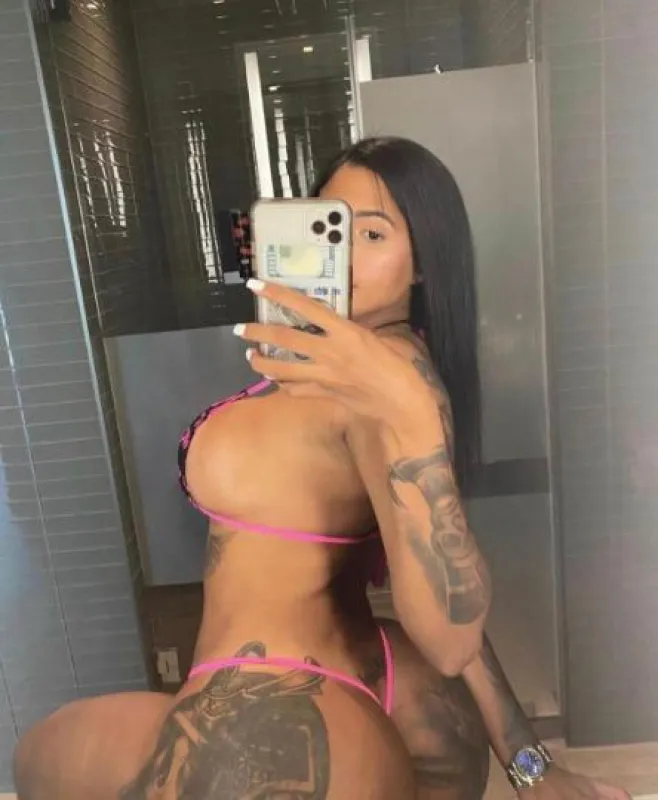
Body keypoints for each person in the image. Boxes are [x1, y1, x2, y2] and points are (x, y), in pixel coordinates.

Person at [12, 137, 630, 800]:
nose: (347, 254)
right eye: (332, 226)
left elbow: (451, 638)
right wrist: (529, 762)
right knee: (47, 752)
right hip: (382, 680)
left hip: (280, 701)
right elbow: (432, 552)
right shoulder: (373, 364)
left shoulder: (385, 379)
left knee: (39, 763)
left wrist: (409, 416)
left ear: (425, 261)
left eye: (374, 233)